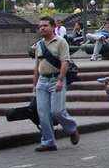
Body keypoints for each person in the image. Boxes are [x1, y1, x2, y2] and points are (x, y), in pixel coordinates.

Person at [32, 16, 79, 152]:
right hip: (42, 81)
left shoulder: (61, 42)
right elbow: (37, 66)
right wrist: (34, 84)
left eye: (45, 25)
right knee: (43, 113)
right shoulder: (39, 45)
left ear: (53, 27)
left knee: (57, 111)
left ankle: (72, 129)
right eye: (40, 26)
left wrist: (60, 80)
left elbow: (65, 62)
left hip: (56, 79)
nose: (42, 28)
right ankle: (48, 142)